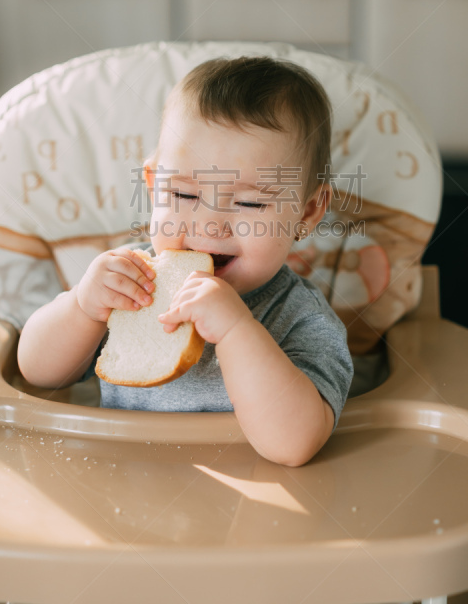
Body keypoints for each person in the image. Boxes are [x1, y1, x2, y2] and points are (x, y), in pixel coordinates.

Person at [18, 56, 353, 467]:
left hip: (245, 510)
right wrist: (84, 308)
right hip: (121, 486)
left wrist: (235, 331)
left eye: (248, 202)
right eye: (184, 195)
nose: (209, 226)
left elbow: (294, 444)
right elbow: (38, 372)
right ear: (152, 184)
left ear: (307, 212)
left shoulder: (303, 318)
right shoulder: (134, 282)